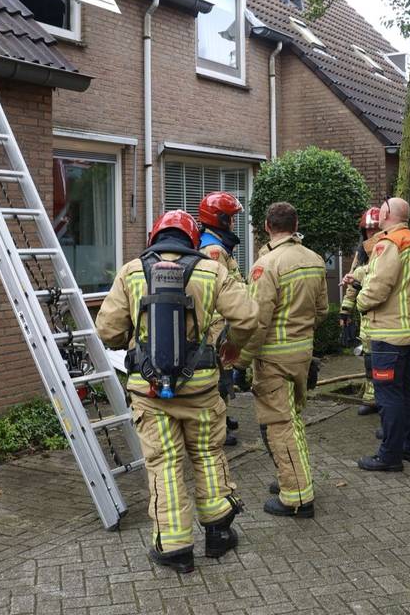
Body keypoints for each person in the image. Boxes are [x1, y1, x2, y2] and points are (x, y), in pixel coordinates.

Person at [95, 210, 258, 574]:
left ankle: (174, 549)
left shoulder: (131, 271)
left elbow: (107, 330)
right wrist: (232, 348)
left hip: (150, 391)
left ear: (155, 236)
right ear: (193, 240)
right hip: (201, 388)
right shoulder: (212, 269)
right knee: (208, 455)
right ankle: (218, 534)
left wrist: (133, 341)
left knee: (164, 464)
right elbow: (247, 317)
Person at [230, 202, 328, 518]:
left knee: (279, 427)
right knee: (294, 421)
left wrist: (241, 362)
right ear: (295, 223)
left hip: (273, 360)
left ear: (268, 227)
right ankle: (296, 479)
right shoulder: (314, 259)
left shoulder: (267, 265)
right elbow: (323, 310)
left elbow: (257, 322)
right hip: (302, 355)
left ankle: (297, 497)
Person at [355, 197, 410, 473]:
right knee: (408, 391)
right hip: (409, 330)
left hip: (388, 333)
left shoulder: (389, 244)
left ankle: (390, 456)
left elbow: (378, 286)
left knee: (388, 396)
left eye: (382, 210)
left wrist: (360, 303)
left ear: (387, 214)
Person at [197, 191, 245, 447]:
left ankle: (222, 418)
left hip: (219, 321)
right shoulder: (214, 250)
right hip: (216, 323)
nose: (234, 224)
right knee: (218, 375)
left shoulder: (216, 244)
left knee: (222, 374)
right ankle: (217, 427)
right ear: (221, 219)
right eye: (232, 218)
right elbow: (221, 289)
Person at [339, 207, 384, 416]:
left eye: (374, 231)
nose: (371, 236)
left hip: (384, 317)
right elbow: (352, 282)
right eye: (367, 231)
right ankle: (371, 399)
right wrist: (345, 311)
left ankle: (385, 403)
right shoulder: (362, 253)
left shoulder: (388, 251)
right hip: (366, 318)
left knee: (385, 363)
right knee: (369, 360)